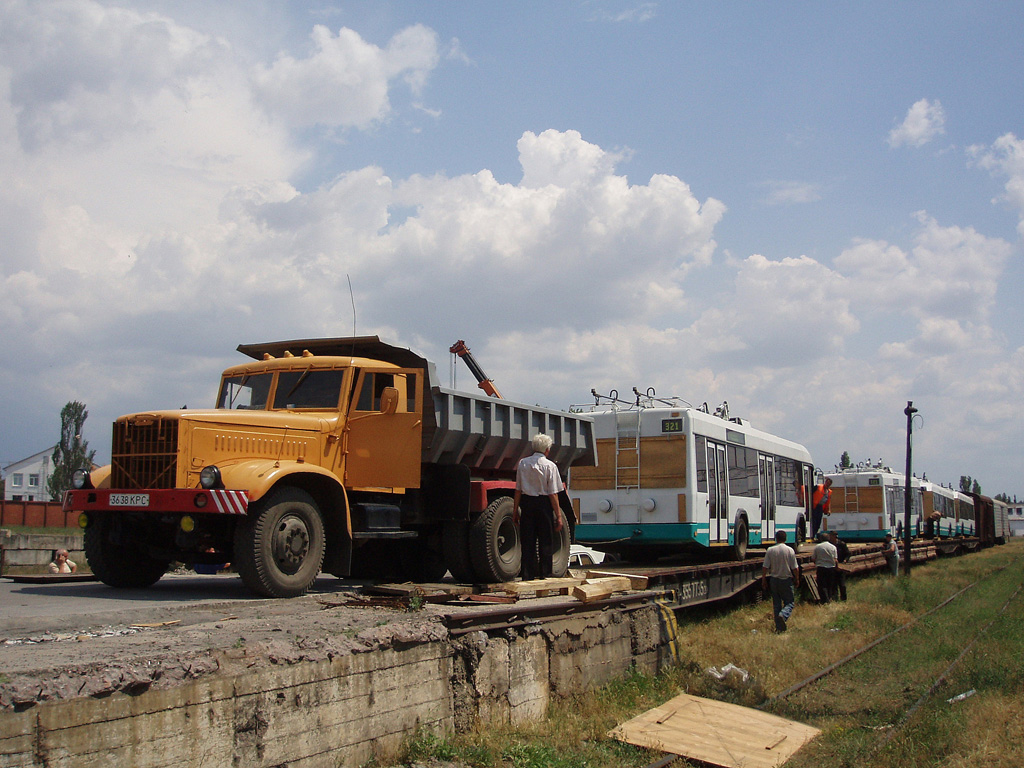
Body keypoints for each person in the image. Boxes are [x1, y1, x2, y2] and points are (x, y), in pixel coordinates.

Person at [513, 433, 564, 581]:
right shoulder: (550, 466)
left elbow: (518, 490)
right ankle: (545, 573)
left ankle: (527, 574)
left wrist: (515, 511)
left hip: (527, 504)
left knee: (527, 541)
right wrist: (558, 515)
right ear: (547, 450)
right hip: (543, 505)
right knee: (545, 540)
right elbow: (553, 493)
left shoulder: (523, 463)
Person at [762, 530, 801, 632]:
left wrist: (763, 579)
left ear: (776, 538)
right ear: (786, 538)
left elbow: (765, 567)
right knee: (790, 602)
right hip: (786, 580)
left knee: (776, 604)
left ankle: (779, 628)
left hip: (774, 580)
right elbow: (795, 568)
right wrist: (797, 578)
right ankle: (783, 615)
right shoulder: (790, 550)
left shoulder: (770, 550)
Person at [812, 532, 838, 603]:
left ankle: (824, 600)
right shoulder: (833, 547)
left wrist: (816, 563)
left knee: (822, 585)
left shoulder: (818, 547)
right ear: (829, 538)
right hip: (831, 568)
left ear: (820, 539)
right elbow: (835, 559)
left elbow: (813, 558)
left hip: (821, 568)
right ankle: (829, 598)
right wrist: (836, 567)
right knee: (830, 585)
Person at [829, 531, 850, 601]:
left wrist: (845, 560)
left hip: (841, 566)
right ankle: (835, 598)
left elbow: (848, 554)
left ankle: (844, 598)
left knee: (842, 584)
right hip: (833, 566)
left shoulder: (841, 544)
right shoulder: (829, 545)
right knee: (833, 584)